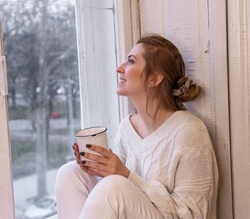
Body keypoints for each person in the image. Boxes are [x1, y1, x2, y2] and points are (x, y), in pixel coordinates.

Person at [55, 34, 218, 219]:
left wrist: (124, 175)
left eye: (131, 61)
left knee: (113, 186)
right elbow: (120, 201)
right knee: (70, 173)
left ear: (154, 78)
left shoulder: (189, 131)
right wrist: (99, 170)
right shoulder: (127, 128)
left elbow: (193, 215)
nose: (119, 68)